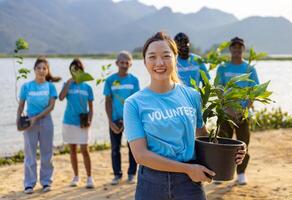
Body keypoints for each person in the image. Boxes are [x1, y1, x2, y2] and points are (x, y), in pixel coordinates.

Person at [123, 32, 246, 200]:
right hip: (152, 184)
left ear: (175, 58)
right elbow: (140, 155)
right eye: (152, 57)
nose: (159, 63)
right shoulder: (133, 103)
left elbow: (201, 136)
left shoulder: (192, 96)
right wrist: (187, 169)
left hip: (189, 184)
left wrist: (231, 151)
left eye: (166, 56)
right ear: (145, 62)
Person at [216, 37, 260, 185]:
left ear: (243, 49)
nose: (236, 50)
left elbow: (254, 91)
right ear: (230, 49)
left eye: (239, 47)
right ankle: (220, 174)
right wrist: (228, 109)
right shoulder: (222, 68)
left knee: (243, 144)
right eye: (234, 47)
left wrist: (244, 109)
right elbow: (219, 89)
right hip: (225, 113)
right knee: (223, 144)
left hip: (243, 114)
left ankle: (241, 173)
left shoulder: (249, 69)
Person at [16, 57, 61, 194]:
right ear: (34, 70)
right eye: (39, 68)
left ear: (47, 71)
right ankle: (29, 184)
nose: (41, 71)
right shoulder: (26, 86)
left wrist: (37, 117)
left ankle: (46, 182)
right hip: (29, 122)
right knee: (30, 154)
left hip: (46, 121)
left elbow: (51, 106)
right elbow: (21, 106)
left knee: (47, 153)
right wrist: (19, 121)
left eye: (44, 68)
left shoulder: (50, 86)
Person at [103, 51, 140, 185]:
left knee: (133, 148)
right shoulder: (110, 80)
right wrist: (110, 121)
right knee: (115, 149)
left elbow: (136, 102)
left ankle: (131, 174)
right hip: (114, 120)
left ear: (130, 64)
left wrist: (127, 120)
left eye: (127, 62)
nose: (124, 65)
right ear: (117, 63)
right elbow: (108, 101)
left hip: (131, 120)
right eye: (122, 62)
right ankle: (117, 175)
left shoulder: (134, 80)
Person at [59, 58, 95, 188]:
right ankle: (76, 176)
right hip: (69, 121)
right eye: (73, 70)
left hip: (83, 122)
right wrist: (69, 82)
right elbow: (61, 97)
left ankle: (90, 178)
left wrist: (90, 120)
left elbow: (91, 107)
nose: (75, 72)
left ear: (82, 70)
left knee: (85, 150)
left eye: (77, 69)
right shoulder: (68, 84)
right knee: (72, 150)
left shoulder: (87, 87)